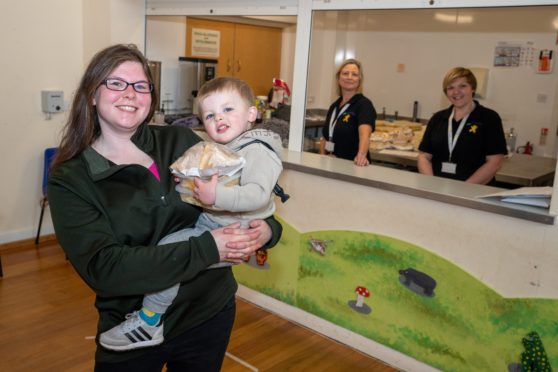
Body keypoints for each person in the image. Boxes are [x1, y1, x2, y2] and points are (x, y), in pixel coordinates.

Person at [47, 44, 282, 371]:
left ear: (151, 97)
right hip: (133, 330)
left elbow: (247, 190)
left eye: (141, 85)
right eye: (116, 83)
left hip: (209, 314)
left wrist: (270, 230)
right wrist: (207, 248)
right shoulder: (71, 178)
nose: (130, 93)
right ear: (92, 94)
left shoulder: (181, 140)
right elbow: (106, 269)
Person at [99, 76, 285, 352]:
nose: (219, 118)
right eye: (210, 115)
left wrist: (218, 198)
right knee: (173, 250)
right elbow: (216, 183)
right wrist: (188, 184)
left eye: (228, 109)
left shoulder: (258, 149)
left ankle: (150, 320)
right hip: (215, 224)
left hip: (231, 232)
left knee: (171, 250)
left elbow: (257, 194)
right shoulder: (224, 147)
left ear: (252, 114)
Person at [417, 67, 507, 184]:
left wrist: (464, 189)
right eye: (451, 88)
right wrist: (431, 184)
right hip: (438, 190)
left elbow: (495, 162)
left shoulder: (489, 118)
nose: (456, 92)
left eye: (462, 86)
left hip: (473, 193)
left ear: (473, 88)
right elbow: (424, 156)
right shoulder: (438, 118)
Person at [319, 58, 376, 166]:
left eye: (354, 74)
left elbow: (364, 135)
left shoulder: (364, 105)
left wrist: (361, 155)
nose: (349, 77)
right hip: (332, 166)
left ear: (359, 79)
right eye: (345, 73)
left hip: (354, 166)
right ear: (339, 78)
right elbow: (325, 138)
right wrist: (323, 157)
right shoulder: (334, 106)